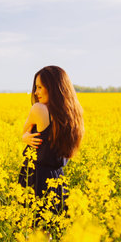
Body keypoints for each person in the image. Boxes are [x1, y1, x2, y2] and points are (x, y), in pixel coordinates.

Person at [18, 65, 84, 216]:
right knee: (47, 233)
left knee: (33, 235)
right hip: (56, 179)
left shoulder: (39, 109)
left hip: (36, 177)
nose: (36, 92)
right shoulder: (73, 115)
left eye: (40, 87)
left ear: (53, 88)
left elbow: (25, 131)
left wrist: (24, 138)